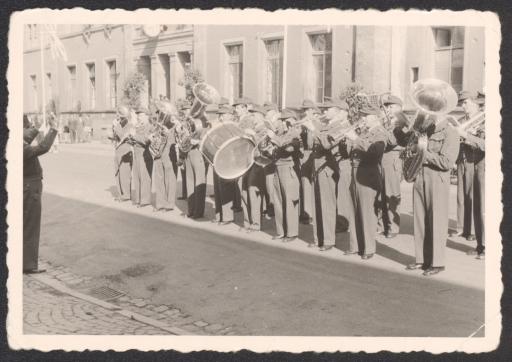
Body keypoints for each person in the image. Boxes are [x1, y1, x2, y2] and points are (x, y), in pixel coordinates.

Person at [395, 106, 460, 276]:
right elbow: (407, 144)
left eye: (430, 110)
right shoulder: (425, 129)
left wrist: (422, 153)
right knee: (420, 219)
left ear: (440, 112)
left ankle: (437, 262)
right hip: (420, 176)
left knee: (437, 220)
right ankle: (421, 259)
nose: (425, 113)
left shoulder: (450, 132)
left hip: (437, 179)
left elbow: (446, 162)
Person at [345, 106, 388, 260]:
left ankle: (369, 248)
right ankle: (355, 245)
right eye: (362, 116)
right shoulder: (364, 132)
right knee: (355, 209)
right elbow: (350, 152)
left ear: (374, 117)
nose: (362, 119)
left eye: (365, 116)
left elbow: (375, 154)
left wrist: (355, 139)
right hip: (356, 171)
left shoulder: (380, 133)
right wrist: (349, 141)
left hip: (368, 174)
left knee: (367, 212)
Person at [23, 113, 58, 273]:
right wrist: (54, 129)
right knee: (31, 226)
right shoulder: (21, 147)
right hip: (30, 188)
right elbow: (43, 147)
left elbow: (26, 137)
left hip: (26, 187)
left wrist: (36, 127)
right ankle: (28, 265)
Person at [460, 92, 485, 259]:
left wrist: (466, 136)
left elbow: (486, 145)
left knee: (484, 208)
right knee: (477, 206)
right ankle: (480, 246)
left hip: (485, 168)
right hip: (475, 166)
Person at [270, 109, 301, 242]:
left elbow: (289, 148)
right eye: (281, 120)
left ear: (290, 121)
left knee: (289, 200)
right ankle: (281, 231)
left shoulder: (295, 134)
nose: (281, 123)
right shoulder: (280, 134)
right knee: (278, 200)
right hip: (277, 167)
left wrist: (273, 138)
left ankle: (292, 233)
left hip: (288, 168)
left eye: (284, 120)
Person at [450, 91, 476, 241]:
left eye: (466, 102)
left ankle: (472, 229)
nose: (463, 106)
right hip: (462, 161)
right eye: (461, 103)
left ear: (474, 102)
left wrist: (467, 136)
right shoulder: (460, 120)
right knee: (461, 197)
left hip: (474, 161)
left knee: (472, 196)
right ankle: (461, 228)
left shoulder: (482, 120)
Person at [378, 94, 404, 238]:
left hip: (392, 158)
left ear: (399, 108)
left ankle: (393, 227)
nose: (388, 109)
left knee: (391, 194)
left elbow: (392, 141)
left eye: (391, 106)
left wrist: (383, 127)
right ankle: (382, 225)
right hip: (381, 157)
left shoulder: (400, 123)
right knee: (381, 194)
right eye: (387, 107)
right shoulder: (386, 122)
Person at [211, 105, 236, 225]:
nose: (220, 117)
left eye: (223, 115)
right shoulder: (218, 126)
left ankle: (227, 217)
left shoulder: (232, 127)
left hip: (227, 161)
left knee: (226, 189)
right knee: (217, 188)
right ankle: (218, 215)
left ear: (229, 115)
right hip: (217, 160)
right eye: (220, 115)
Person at [151, 101, 177, 211]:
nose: (159, 116)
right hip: (158, 154)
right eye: (159, 113)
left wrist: (168, 133)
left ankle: (169, 204)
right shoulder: (157, 125)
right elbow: (154, 137)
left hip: (168, 154)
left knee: (170, 179)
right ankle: (160, 203)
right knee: (159, 179)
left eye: (162, 113)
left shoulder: (173, 124)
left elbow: (176, 140)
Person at [298, 99, 320, 225]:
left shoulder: (316, 123)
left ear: (312, 110)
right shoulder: (303, 124)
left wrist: (310, 128)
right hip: (305, 154)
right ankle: (305, 213)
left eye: (307, 110)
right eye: (304, 110)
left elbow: (313, 142)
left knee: (312, 184)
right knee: (304, 183)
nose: (305, 112)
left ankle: (312, 213)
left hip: (314, 154)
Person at [131, 109, 153, 208]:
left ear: (146, 116)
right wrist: (130, 139)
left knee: (145, 178)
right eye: (138, 115)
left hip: (145, 154)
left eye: (140, 115)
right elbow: (135, 139)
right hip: (136, 153)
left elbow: (146, 141)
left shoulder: (149, 127)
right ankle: (139, 198)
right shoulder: (138, 126)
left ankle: (145, 200)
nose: (138, 117)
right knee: (137, 176)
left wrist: (134, 136)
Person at [112, 106, 133, 202]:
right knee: (118, 174)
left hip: (125, 151)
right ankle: (121, 193)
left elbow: (122, 136)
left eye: (119, 114)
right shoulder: (119, 124)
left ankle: (126, 195)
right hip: (118, 151)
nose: (117, 116)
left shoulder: (128, 125)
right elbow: (116, 137)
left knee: (125, 174)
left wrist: (116, 127)